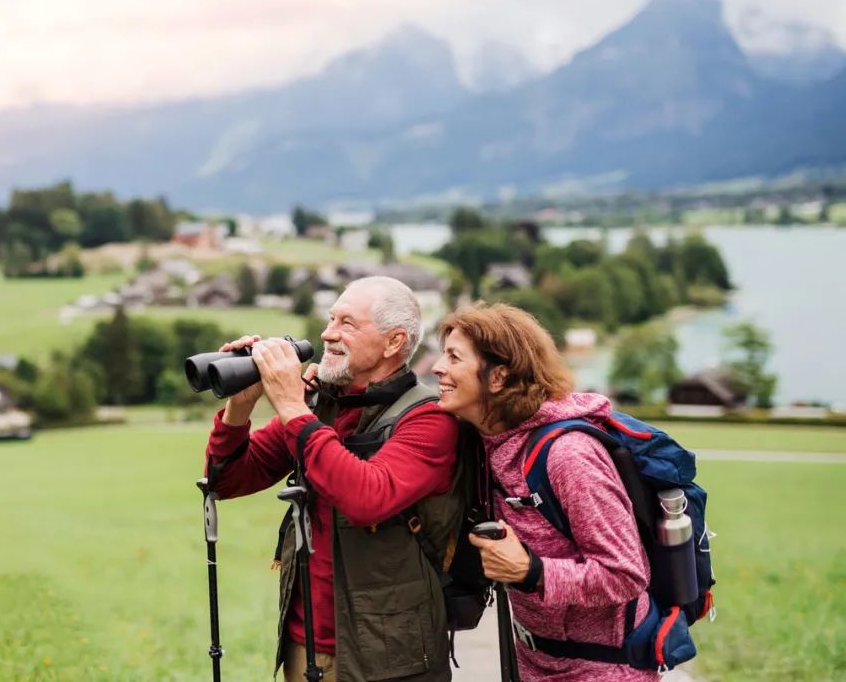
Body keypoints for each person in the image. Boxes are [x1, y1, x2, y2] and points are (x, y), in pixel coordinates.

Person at [204, 276, 462, 682]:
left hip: (390, 656)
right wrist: (241, 406)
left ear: (394, 343)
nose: (328, 334)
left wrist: (291, 404)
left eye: (347, 324)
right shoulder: (321, 406)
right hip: (304, 642)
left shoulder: (429, 419)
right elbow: (226, 481)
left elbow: (366, 498)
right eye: (330, 319)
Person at [430, 303, 658, 682]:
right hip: (534, 660)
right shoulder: (489, 442)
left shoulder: (569, 456)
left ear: (499, 377)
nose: (438, 367)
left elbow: (625, 573)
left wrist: (532, 571)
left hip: (603, 669)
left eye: (454, 357)